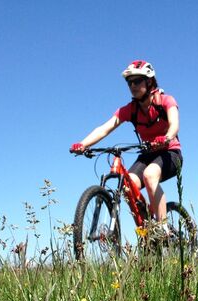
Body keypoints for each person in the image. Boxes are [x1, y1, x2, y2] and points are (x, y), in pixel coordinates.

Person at [70, 60, 182, 237]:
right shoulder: (131, 110)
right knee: (128, 185)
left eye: (137, 81)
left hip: (169, 152)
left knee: (150, 175)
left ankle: (162, 228)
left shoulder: (166, 101)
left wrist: (166, 138)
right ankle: (147, 225)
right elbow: (104, 128)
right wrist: (83, 144)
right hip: (148, 154)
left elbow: (174, 124)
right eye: (129, 82)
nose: (132, 86)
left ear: (149, 82)